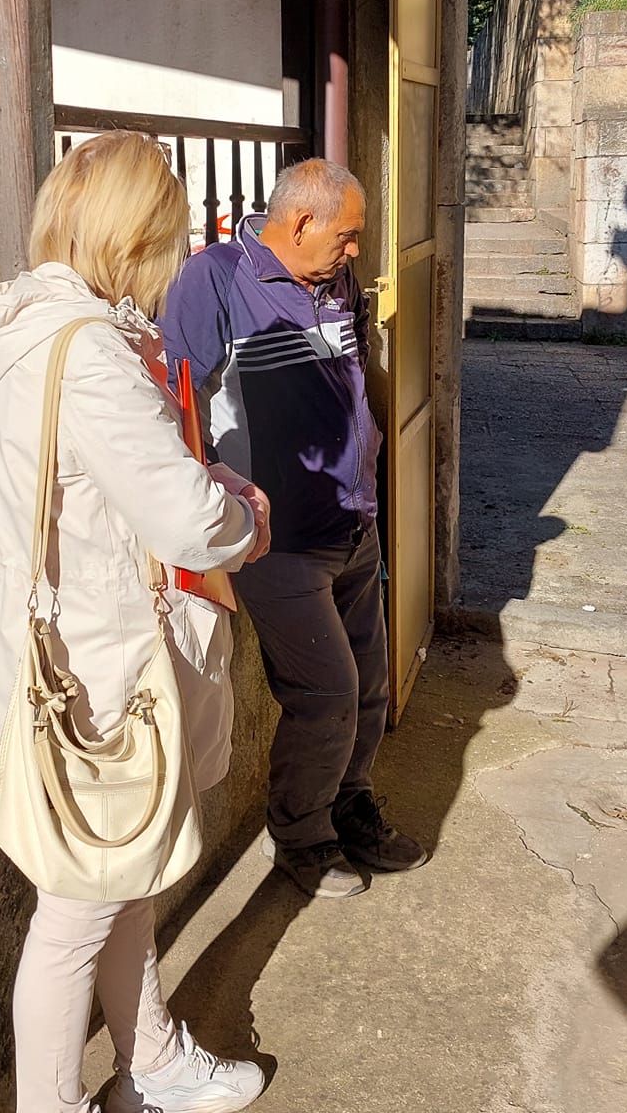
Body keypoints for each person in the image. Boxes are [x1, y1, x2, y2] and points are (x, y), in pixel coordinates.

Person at [0, 131, 274, 1113]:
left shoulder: (36, 330)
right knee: (78, 913)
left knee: (117, 878)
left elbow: (112, 482)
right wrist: (242, 518)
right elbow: (184, 521)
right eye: (166, 240)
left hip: (73, 656)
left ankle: (155, 1061)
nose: (174, 262)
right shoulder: (88, 353)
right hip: (97, 673)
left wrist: (193, 483)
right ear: (132, 241)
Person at [162, 159, 427, 899]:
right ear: (302, 222)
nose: (356, 251)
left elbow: (351, 381)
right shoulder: (215, 280)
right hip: (278, 542)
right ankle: (303, 839)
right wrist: (216, 503)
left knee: (368, 689)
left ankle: (351, 810)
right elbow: (175, 404)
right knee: (326, 694)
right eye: (347, 236)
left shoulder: (335, 281)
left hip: (354, 523)